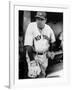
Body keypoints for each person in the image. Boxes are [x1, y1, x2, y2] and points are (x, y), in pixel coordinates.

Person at [24, 11, 56, 78]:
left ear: (45, 20)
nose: (39, 21)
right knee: (33, 75)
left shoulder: (48, 28)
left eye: (42, 19)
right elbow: (28, 45)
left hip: (44, 56)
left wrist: (51, 51)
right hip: (33, 55)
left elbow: (53, 41)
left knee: (42, 75)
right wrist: (32, 61)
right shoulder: (31, 26)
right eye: (38, 19)